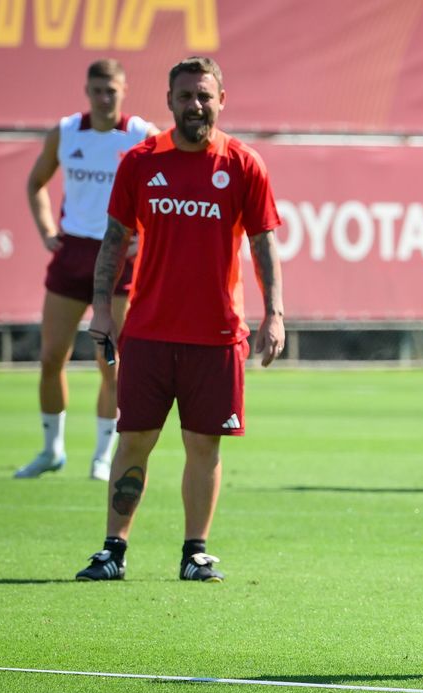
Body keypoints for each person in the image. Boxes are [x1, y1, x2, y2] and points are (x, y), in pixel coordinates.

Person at [74, 56, 284, 583]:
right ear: (169, 102)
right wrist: (102, 309)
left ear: (221, 99)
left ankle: (195, 552)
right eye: (185, 96)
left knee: (203, 445)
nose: (195, 105)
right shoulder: (140, 161)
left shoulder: (242, 164)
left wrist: (274, 313)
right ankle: (112, 551)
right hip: (146, 331)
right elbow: (114, 241)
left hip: (217, 335)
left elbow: (264, 245)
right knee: (134, 440)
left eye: (204, 95)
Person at [16, 59, 157, 481]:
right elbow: (35, 182)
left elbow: (167, 187)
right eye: (97, 90)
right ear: (87, 90)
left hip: (117, 257)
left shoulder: (141, 136)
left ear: (124, 90)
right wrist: (46, 230)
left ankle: (101, 456)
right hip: (73, 253)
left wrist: (143, 232)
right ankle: (51, 449)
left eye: (111, 90)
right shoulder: (65, 131)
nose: (103, 98)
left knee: (110, 362)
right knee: (49, 358)